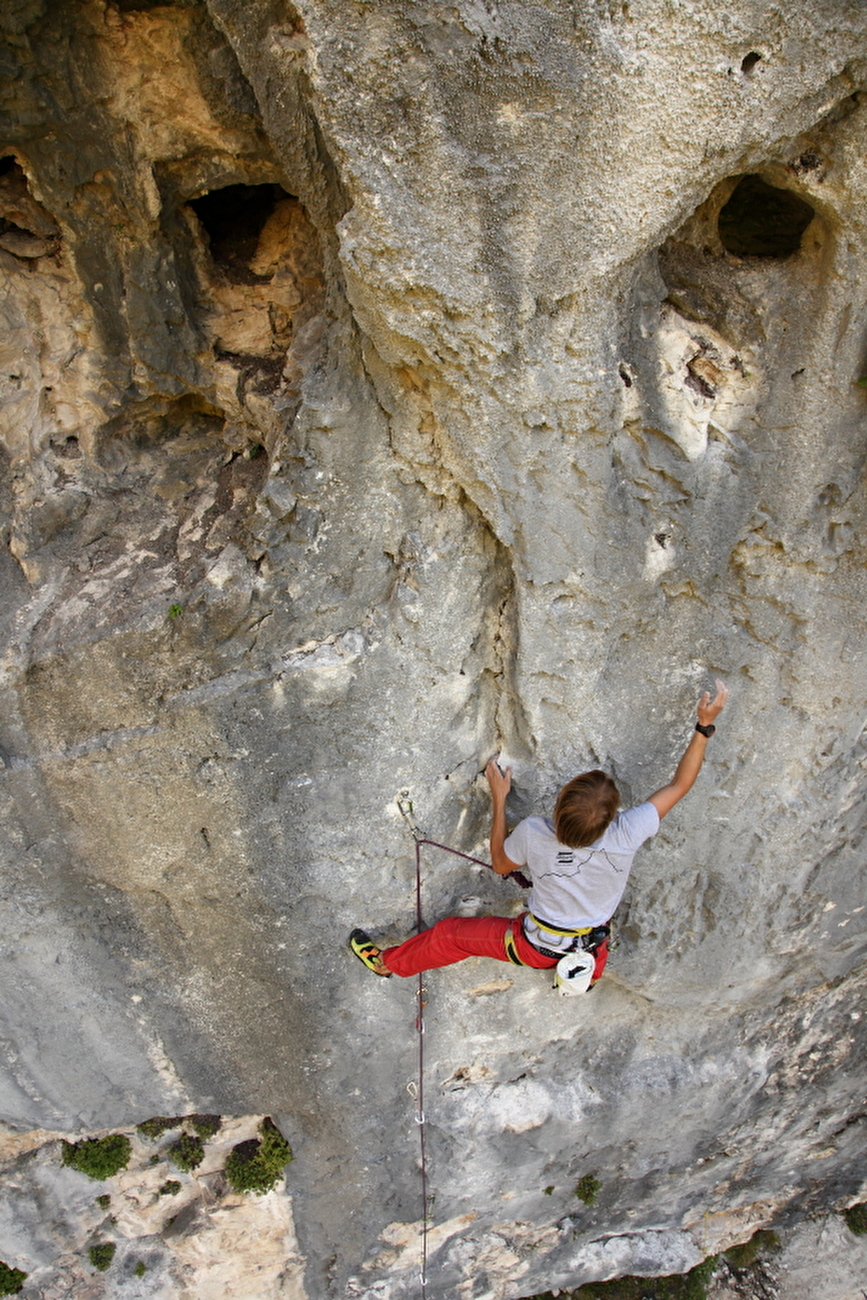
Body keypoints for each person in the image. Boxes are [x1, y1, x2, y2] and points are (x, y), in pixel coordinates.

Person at [350, 680, 729, 980]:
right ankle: (587, 977)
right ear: (613, 816)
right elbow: (680, 784)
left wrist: (499, 799)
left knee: (450, 935)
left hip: (537, 948)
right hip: (590, 953)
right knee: (577, 941)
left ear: (560, 804)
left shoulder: (535, 833)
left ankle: (388, 964)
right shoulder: (627, 832)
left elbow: (501, 865)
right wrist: (704, 725)